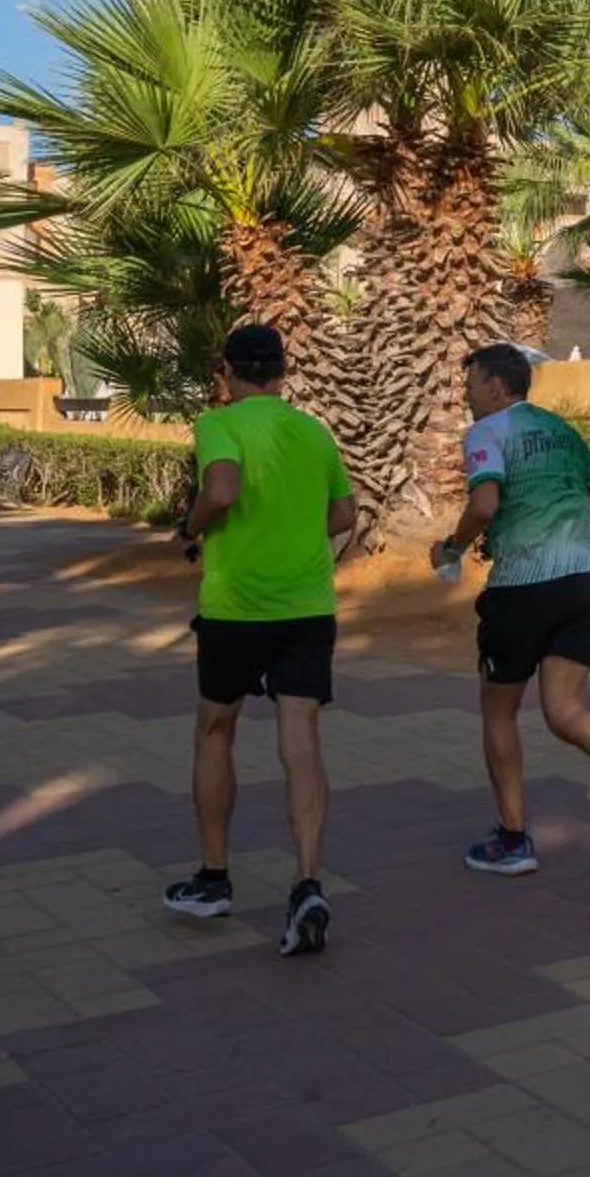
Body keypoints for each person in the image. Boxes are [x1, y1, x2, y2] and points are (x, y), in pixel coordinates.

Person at [432, 344, 590, 875]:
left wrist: (452, 547)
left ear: (497, 387)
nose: (466, 396)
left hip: (523, 586)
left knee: (499, 711)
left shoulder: (488, 432)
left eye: (470, 385)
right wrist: (565, 521)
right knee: (565, 710)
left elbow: (485, 504)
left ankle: (514, 840)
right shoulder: (560, 430)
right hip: (583, 579)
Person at [163, 324, 357, 956]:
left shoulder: (219, 425)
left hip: (236, 607)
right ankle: (307, 883)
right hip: (307, 606)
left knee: (216, 729)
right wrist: (302, 538)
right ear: (283, 370)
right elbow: (346, 515)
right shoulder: (313, 431)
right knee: (300, 741)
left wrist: (192, 528)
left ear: (227, 372)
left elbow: (220, 490)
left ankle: (215, 878)